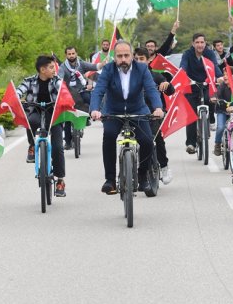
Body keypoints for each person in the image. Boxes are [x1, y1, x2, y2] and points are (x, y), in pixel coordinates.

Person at [90, 41, 164, 194]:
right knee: (109, 136)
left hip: (137, 110)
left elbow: (151, 89)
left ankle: (142, 176)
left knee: (147, 141)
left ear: (132, 56)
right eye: (119, 56)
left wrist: (157, 108)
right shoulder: (109, 69)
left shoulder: (142, 69)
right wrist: (95, 109)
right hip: (113, 112)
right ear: (114, 57)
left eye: (126, 55)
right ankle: (110, 180)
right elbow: (99, 90)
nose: (123, 59)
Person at [17, 55, 68, 197]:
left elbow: (64, 92)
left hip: (54, 114)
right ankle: (32, 145)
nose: (54, 70)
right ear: (42, 69)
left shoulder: (57, 80)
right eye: (51, 67)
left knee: (58, 148)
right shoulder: (29, 81)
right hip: (36, 111)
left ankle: (60, 180)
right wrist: (16, 97)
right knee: (30, 120)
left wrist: (64, 99)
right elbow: (19, 90)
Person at [134, 47, 175, 185]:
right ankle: (127, 168)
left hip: (153, 114)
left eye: (142, 59)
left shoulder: (156, 76)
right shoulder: (127, 77)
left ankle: (164, 167)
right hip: (134, 115)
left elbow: (170, 91)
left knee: (156, 138)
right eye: (136, 59)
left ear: (148, 60)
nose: (139, 62)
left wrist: (166, 84)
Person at [180, 32, 223, 154]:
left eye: (202, 42)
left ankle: (209, 120)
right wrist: (182, 75)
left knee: (211, 99)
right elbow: (183, 66)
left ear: (205, 43)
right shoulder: (187, 54)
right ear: (193, 43)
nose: (200, 45)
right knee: (191, 115)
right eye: (197, 42)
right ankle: (191, 143)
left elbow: (214, 66)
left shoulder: (209, 53)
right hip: (191, 86)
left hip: (206, 84)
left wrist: (219, 77)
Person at [57, 46, 98, 149]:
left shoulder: (81, 63)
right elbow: (59, 78)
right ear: (66, 55)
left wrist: (102, 64)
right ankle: (67, 142)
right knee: (67, 118)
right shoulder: (63, 67)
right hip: (68, 94)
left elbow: (94, 67)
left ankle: (87, 117)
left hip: (81, 91)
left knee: (89, 99)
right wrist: (59, 84)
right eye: (69, 54)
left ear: (76, 53)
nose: (71, 55)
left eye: (73, 53)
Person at [212, 70, 233, 158]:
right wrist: (214, 98)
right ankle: (217, 144)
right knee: (220, 127)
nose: (225, 77)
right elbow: (217, 94)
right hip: (222, 110)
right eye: (224, 75)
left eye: (227, 75)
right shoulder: (222, 86)